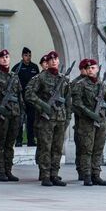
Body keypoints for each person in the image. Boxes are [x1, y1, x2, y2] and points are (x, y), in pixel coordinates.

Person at [24, 51, 71, 186]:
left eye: (56, 59)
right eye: (51, 60)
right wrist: (43, 105)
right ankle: (45, 175)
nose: (54, 61)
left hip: (60, 118)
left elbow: (68, 100)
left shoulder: (64, 79)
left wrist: (67, 117)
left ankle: (54, 174)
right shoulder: (40, 78)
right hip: (45, 119)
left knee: (57, 148)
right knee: (46, 147)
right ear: (47, 62)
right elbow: (29, 94)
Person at [73, 58, 106, 186]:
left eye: (93, 68)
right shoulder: (81, 84)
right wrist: (89, 113)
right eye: (88, 68)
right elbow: (77, 103)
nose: (90, 70)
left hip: (100, 121)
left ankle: (96, 174)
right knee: (87, 149)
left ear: (97, 69)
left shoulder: (102, 85)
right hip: (86, 123)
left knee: (98, 149)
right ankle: (87, 175)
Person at [0, 49, 23, 182]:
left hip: (14, 114)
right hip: (1, 116)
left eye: (7, 57)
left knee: (10, 144)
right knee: (0, 143)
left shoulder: (14, 76)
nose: (5, 59)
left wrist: (21, 113)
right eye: (2, 58)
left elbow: (19, 96)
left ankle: (9, 170)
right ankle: (1, 171)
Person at [12, 47, 39, 147]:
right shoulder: (17, 68)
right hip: (20, 97)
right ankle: (18, 140)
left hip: (31, 97)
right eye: (26, 55)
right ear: (22, 56)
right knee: (19, 119)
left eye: (29, 55)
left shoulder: (34, 67)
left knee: (31, 119)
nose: (28, 57)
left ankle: (31, 140)